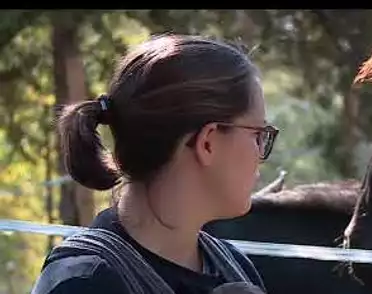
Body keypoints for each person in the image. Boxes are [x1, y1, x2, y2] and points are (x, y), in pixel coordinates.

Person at [31, 34, 279, 294]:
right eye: (257, 135)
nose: (260, 152)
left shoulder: (235, 267)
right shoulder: (81, 284)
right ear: (209, 142)